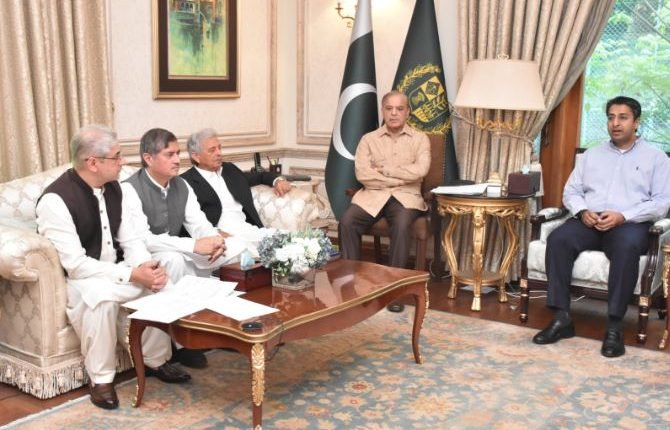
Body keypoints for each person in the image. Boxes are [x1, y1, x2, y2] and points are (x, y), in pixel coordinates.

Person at [35, 125, 191, 410]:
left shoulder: (119, 190)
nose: (123, 162)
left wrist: (145, 267)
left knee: (159, 283)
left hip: (117, 270)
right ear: (92, 163)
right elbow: (76, 265)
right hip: (82, 279)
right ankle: (101, 380)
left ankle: (156, 361)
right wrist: (132, 274)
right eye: (117, 157)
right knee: (102, 299)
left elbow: (131, 240)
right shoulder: (55, 201)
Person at [532, 96, 670, 358]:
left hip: (629, 224)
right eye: (611, 117)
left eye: (623, 117)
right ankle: (561, 318)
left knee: (626, 248)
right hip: (590, 220)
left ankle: (614, 327)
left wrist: (623, 216)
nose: (615, 123)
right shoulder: (591, 155)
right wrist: (582, 211)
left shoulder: (656, 158)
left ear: (636, 122)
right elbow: (571, 191)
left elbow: (662, 203)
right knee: (559, 239)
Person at [121, 127, 228, 369]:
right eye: (169, 155)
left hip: (170, 247)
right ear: (148, 158)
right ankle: (182, 343)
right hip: (141, 255)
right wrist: (193, 245)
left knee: (221, 254)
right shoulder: (130, 189)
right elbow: (143, 239)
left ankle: (214, 329)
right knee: (175, 260)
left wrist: (214, 240)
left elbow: (199, 223)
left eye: (178, 153)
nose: (177, 160)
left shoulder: (182, 185)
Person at [339, 90, 431, 311]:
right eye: (389, 108)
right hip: (373, 195)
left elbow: (421, 170)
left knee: (401, 224)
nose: (394, 113)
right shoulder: (368, 140)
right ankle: (351, 287)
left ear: (408, 112)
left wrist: (386, 170)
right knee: (347, 222)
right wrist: (401, 177)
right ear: (383, 111)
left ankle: (393, 292)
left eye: (399, 109)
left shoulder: (420, 139)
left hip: (406, 197)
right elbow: (363, 174)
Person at [180, 128, 291, 256]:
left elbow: (259, 176)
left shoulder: (229, 170)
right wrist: (215, 233)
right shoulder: (185, 182)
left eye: (219, 148)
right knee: (267, 255)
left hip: (248, 230)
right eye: (212, 150)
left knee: (292, 241)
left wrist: (277, 180)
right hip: (223, 239)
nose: (219, 153)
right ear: (196, 156)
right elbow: (187, 222)